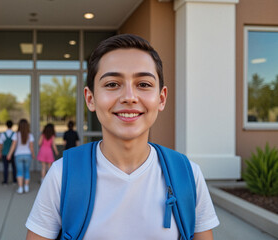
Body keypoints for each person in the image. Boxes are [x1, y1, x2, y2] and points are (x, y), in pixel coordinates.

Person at [25, 34, 219, 239]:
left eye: (143, 84)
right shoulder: (61, 175)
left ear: (161, 99)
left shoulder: (188, 175)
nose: (129, 97)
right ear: (90, 99)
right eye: (112, 84)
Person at [7, 119, 35, 194]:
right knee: (26, 171)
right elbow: (31, 146)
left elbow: (13, 145)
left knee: (19, 172)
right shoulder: (30, 135)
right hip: (27, 155)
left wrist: (9, 154)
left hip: (18, 155)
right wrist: (33, 154)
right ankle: (26, 187)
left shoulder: (16, 135)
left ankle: (20, 188)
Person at [0, 120, 17, 185]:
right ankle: (14, 180)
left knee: (5, 168)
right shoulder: (14, 134)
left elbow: (0, 144)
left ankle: (5, 181)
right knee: (14, 168)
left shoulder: (3, 134)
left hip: (5, 153)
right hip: (13, 153)